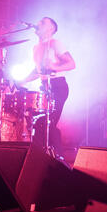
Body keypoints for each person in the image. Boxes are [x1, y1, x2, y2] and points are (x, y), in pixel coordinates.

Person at [20, 17, 75, 158]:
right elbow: (37, 71)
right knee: (40, 125)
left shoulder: (55, 43)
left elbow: (71, 64)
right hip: (44, 88)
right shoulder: (36, 47)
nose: (38, 23)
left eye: (43, 22)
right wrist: (23, 80)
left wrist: (54, 66)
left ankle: (59, 160)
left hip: (57, 87)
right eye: (39, 21)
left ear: (51, 29)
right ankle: (43, 158)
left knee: (46, 123)